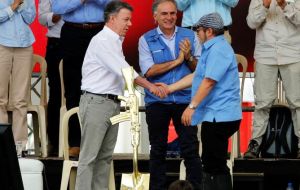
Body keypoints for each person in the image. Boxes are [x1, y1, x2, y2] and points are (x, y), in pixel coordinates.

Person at [75, 1, 164, 189]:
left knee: (105, 158)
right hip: (97, 102)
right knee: (89, 158)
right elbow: (126, 72)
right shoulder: (103, 41)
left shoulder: (115, 42)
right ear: (112, 19)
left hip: (112, 104)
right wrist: (150, 86)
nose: (130, 24)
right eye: (126, 19)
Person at [158, 12, 242, 190]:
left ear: (209, 31)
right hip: (216, 115)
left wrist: (191, 106)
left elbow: (209, 81)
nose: (196, 33)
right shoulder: (211, 48)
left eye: (199, 30)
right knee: (213, 163)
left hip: (220, 116)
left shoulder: (219, 49)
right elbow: (197, 76)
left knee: (214, 165)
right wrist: (169, 88)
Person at [138, 0, 202, 189]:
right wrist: (178, 60)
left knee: (190, 149)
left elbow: (199, 71)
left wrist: (188, 57)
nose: (169, 18)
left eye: (172, 13)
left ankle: (196, 187)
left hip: (185, 100)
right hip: (157, 100)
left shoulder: (190, 36)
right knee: (157, 149)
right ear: (155, 16)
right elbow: (149, 71)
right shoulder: (146, 39)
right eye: (164, 14)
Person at [51, 0, 111, 157]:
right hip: (72, 33)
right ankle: (75, 142)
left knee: (100, 89)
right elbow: (57, 7)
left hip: (99, 31)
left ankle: (98, 141)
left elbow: (113, 4)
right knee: (73, 89)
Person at [244, 0, 300, 159]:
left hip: (293, 53)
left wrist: (284, 5)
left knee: (297, 102)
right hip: (265, 55)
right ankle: (255, 144)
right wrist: (265, 5)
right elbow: (251, 22)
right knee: (262, 103)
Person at [0, 0, 36, 150]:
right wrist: (12, 7)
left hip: (24, 45)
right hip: (2, 44)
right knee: (0, 98)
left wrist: (22, 5)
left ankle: (19, 146)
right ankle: (2, 145)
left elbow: (30, 18)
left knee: (20, 99)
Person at [38, 0, 64, 156]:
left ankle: (78, 142)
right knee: (56, 92)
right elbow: (41, 18)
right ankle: (54, 141)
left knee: (83, 92)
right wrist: (59, 13)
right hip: (57, 42)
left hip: (84, 39)